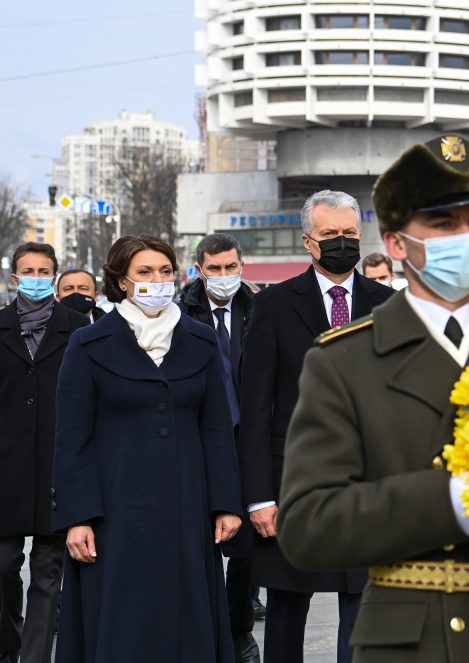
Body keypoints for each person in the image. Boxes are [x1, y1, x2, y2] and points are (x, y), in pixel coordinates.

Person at [276, 134, 469, 661]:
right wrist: (455, 501)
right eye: (443, 224)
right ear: (396, 244)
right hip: (410, 641)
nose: (466, 238)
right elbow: (310, 525)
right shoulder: (343, 361)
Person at [52, 235, 242, 662]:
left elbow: (216, 429)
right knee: (122, 625)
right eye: (144, 272)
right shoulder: (88, 344)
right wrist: (77, 516)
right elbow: (71, 439)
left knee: (187, 623)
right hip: (114, 515)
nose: (157, 280)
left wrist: (227, 503)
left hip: (187, 511)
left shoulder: (201, 340)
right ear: (121, 281)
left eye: (165, 271)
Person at [237, 190, 393, 663]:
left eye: (350, 233)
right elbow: (255, 406)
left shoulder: (388, 305)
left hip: (367, 486)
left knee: (362, 608)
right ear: (309, 242)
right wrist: (260, 497)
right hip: (292, 487)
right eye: (331, 235)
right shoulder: (275, 305)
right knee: (287, 609)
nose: (343, 242)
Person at [0, 243, 88, 663]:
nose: (35, 276)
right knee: (3, 566)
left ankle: (34, 657)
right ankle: (9, 643)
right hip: (6, 468)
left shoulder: (77, 327)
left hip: (58, 466)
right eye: (27, 270)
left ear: (54, 276)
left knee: (48, 572)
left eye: (43, 270)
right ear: (15, 276)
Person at [179, 233, 260, 663]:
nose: (224, 276)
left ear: (241, 266)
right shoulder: (180, 313)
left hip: (248, 441)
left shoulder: (258, 310)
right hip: (199, 441)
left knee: (246, 550)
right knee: (201, 542)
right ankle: (205, 631)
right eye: (215, 269)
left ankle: (238, 628)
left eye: (231, 267)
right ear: (200, 270)